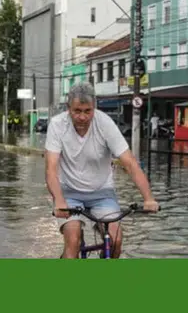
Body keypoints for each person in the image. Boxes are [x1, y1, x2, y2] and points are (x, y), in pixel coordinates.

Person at [45, 84, 160, 259]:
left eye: (87, 111)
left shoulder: (105, 123)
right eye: (77, 111)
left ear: (95, 108)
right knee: (73, 240)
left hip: (103, 193)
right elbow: (51, 168)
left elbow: (130, 163)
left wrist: (148, 198)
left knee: (116, 241)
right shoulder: (57, 125)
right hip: (68, 193)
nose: (82, 117)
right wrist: (59, 201)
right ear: (68, 108)